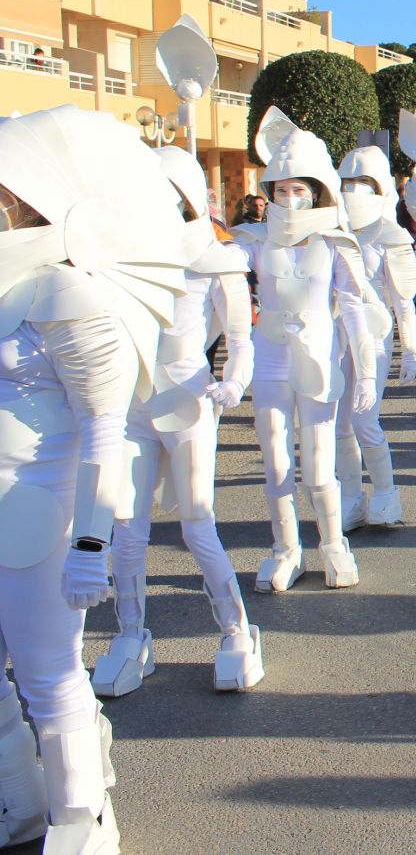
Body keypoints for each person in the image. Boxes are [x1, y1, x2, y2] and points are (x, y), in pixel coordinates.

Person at [0, 106, 189, 851]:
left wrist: (89, 542)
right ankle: (18, 793)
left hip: (42, 507)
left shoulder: (67, 294)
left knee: (49, 675)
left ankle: (82, 820)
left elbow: (105, 424)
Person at [93, 146, 265, 701]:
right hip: (134, 407)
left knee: (198, 526)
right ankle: (129, 636)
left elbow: (241, 339)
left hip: (190, 401)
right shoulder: (122, 256)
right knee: (127, 528)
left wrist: (233, 383)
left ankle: (238, 632)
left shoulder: (221, 259)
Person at [231, 108, 375, 593]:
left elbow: (354, 309)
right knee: (275, 461)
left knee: (317, 464)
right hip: (270, 358)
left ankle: (333, 544)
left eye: (300, 189)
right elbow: (219, 284)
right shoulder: (251, 240)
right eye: (281, 189)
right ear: (268, 191)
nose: (290, 198)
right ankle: (285, 547)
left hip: (317, 359)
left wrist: (370, 372)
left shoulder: (336, 242)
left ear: (317, 191)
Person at [333, 145, 416, 530]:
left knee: (364, 418)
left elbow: (403, 300)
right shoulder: (329, 230)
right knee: (339, 423)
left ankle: (386, 493)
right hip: (335, 334)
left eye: (363, 182)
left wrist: (410, 350)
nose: (354, 189)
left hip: (375, 333)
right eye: (348, 182)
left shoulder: (391, 235)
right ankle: (351, 495)